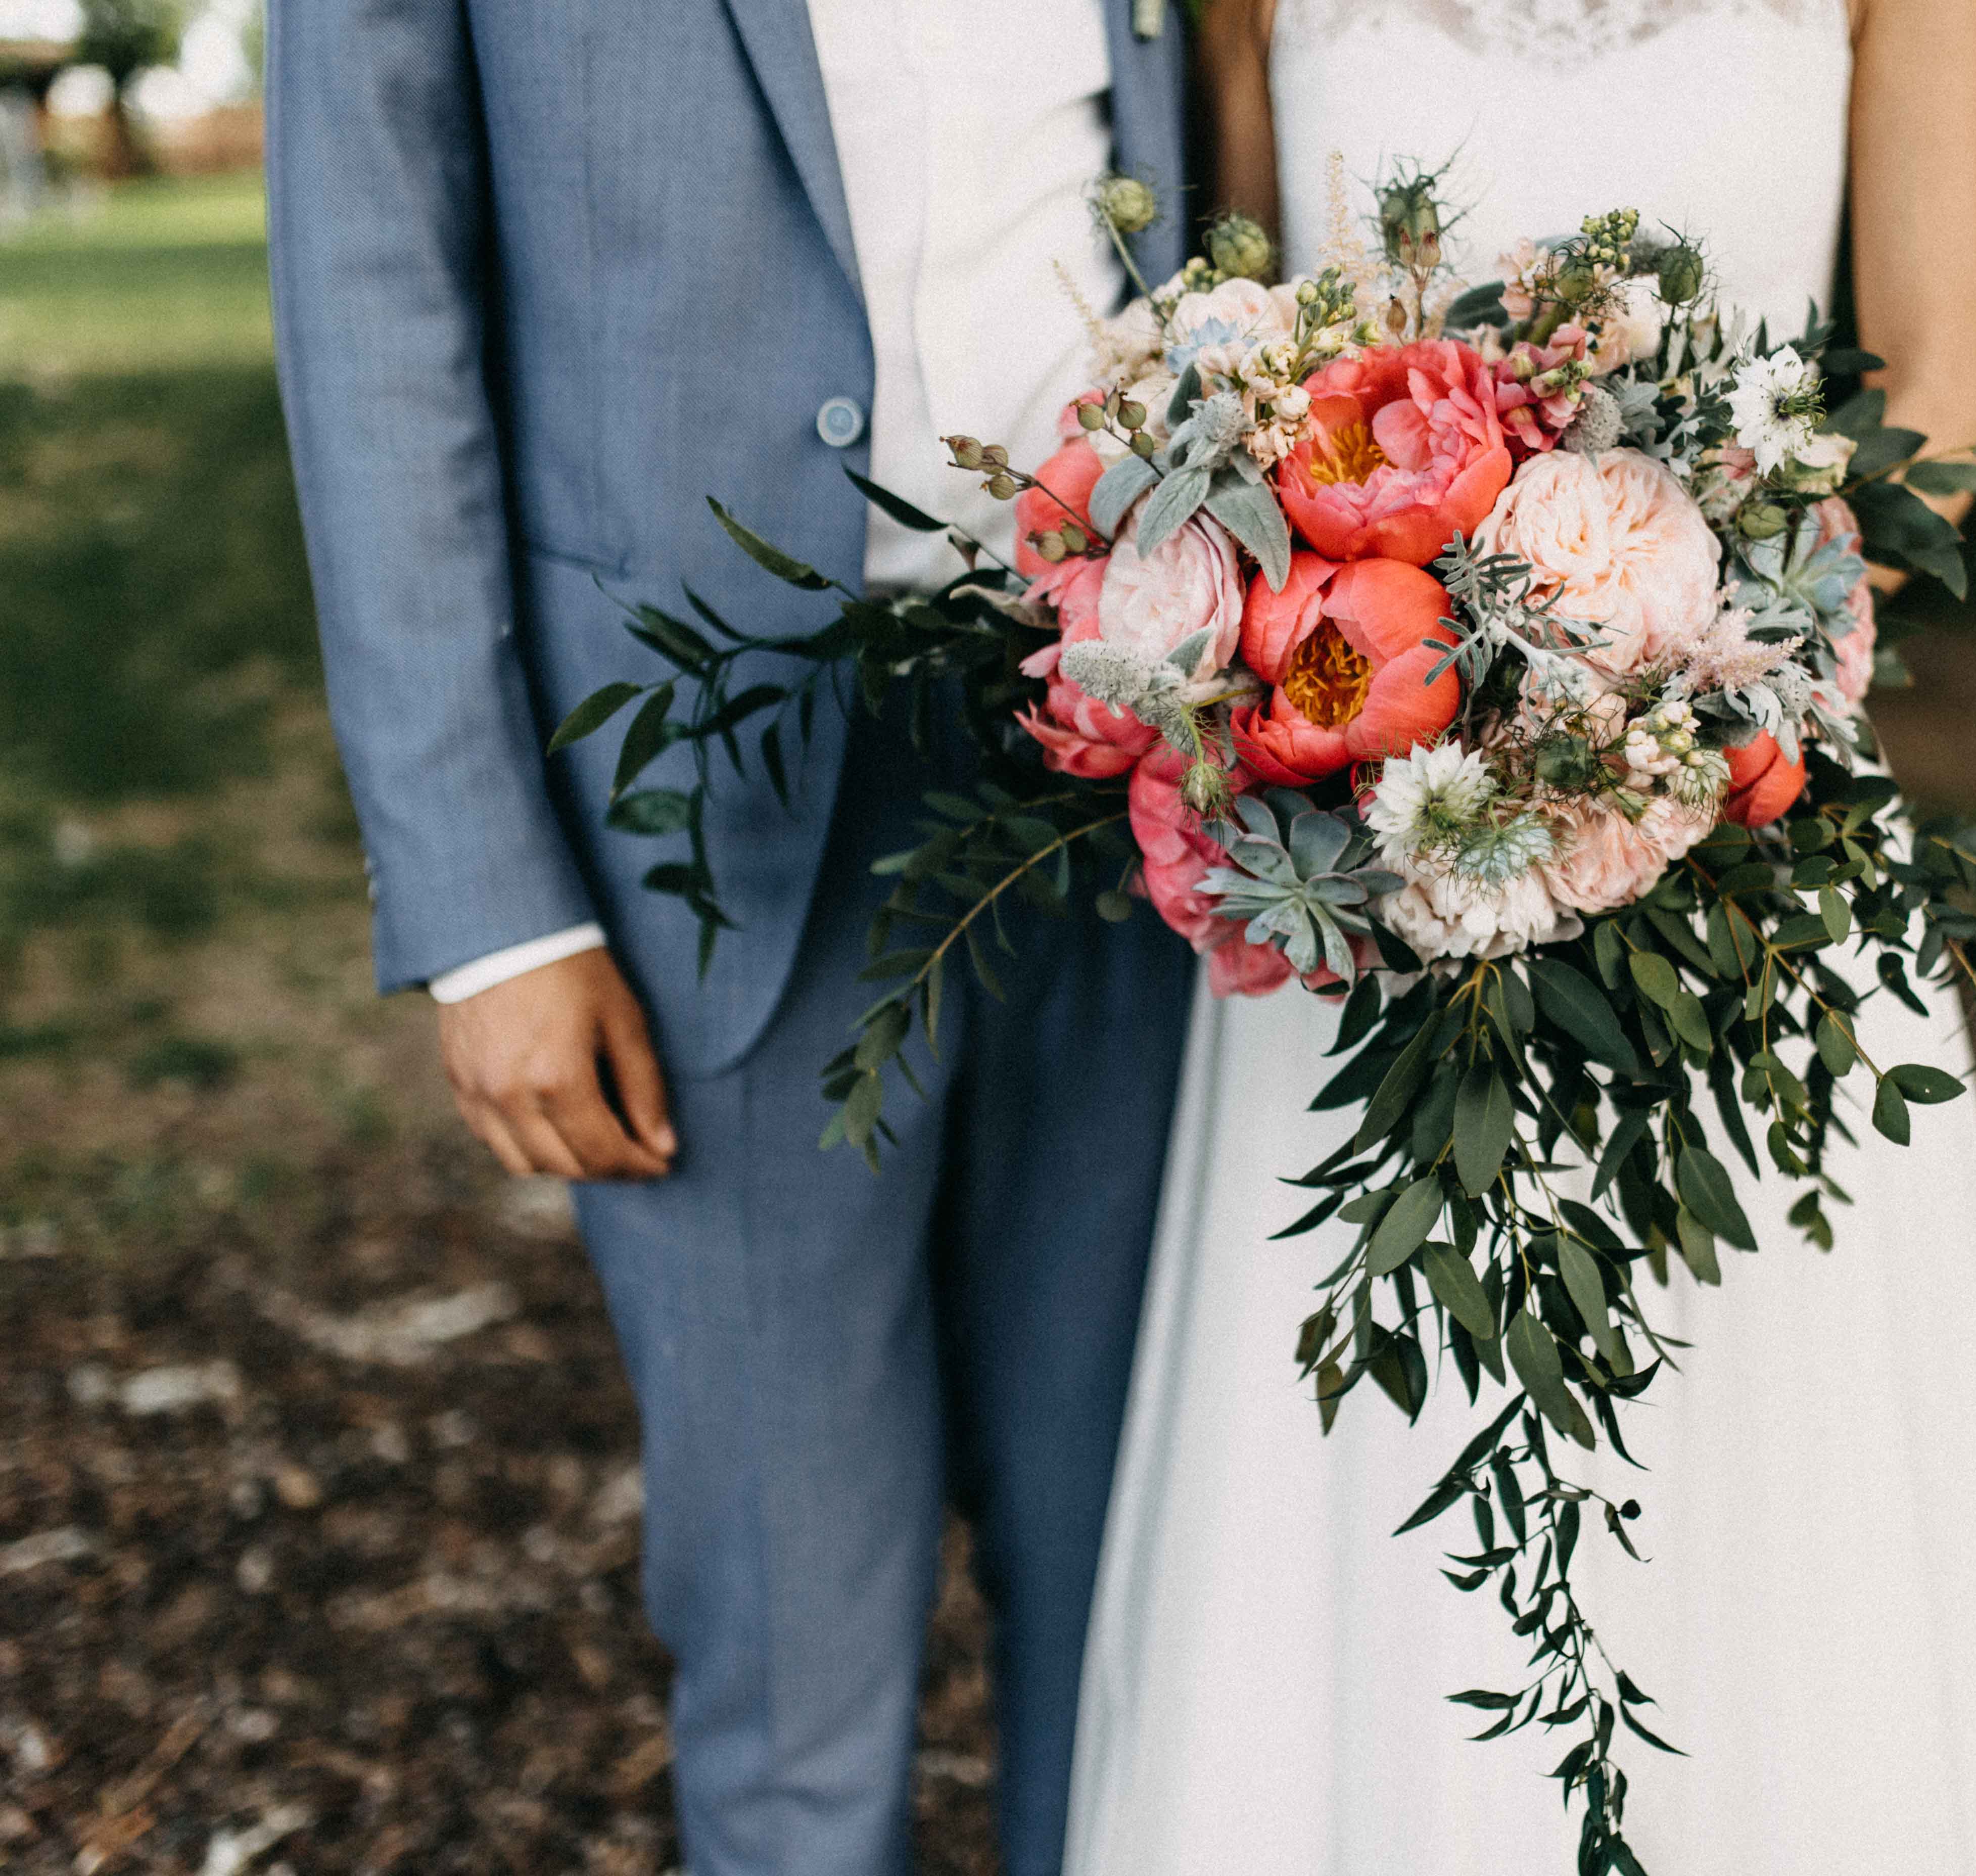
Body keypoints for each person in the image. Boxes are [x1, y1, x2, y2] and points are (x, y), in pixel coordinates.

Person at [1063, 2, 1976, 1870]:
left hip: (1740, 793)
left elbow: (1941, 421)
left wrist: (1630, 661)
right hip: (1367, 850)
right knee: (1367, 1464)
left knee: (1777, 1454)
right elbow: (1253, 398)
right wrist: (1418, 681)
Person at [264, 8, 1194, 1873]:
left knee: (1139, 1600)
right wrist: (489, 908)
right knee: (796, 1638)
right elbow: (374, 307)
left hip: (1151, 756)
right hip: (721, 793)